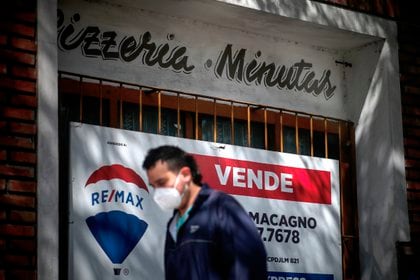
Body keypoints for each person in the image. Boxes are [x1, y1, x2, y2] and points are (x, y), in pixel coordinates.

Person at [142, 145, 267, 280]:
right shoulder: (173, 225)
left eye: (162, 182)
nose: (158, 192)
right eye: (154, 186)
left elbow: (250, 267)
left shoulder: (222, 208)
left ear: (185, 175)